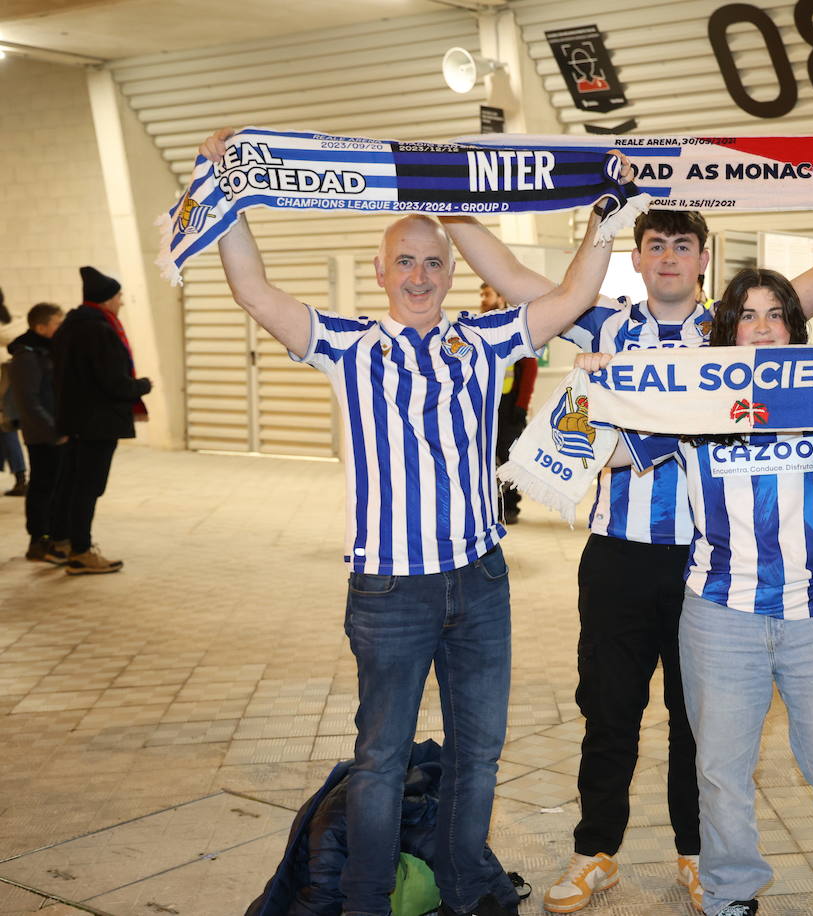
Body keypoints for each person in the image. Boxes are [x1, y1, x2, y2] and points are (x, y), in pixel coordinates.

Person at [442, 181, 813, 914]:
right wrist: (448, 204)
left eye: (681, 245)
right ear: (634, 258)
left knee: (701, 728)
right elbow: (516, 281)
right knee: (609, 710)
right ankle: (595, 849)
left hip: (710, 562)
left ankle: (700, 857)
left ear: (705, 257)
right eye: (654, 244)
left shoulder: (729, 331)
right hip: (623, 551)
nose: (667, 257)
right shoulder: (603, 324)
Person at [200, 129, 629, 916]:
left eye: (435, 261)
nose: (421, 275)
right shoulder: (346, 344)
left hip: (480, 582)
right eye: (406, 260)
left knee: (480, 755)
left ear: (453, 270)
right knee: (381, 759)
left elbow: (570, 300)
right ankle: (364, 901)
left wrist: (606, 217)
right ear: (380, 271)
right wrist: (227, 189)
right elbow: (254, 292)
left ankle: (466, 889)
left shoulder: (484, 338)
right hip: (391, 591)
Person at [578, 268, 813, 916]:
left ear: (794, 328)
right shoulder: (692, 398)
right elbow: (608, 454)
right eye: (747, 315)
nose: (762, 327)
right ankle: (731, 892)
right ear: (727, 330)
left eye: (775, 314)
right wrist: (600, 385)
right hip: (719, 616)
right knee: (721, 773)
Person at [50, 266, 153, 575]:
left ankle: (63, 541)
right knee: (88, 487)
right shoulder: (100, 330)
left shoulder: (70, 326)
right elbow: (113, 382)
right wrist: (142, 386)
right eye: (119, 295)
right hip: (98, 422)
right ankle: (81, 552)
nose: (121, 301)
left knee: (70, 482)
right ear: (108, 299)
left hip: (74, 419)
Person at [8, 303, 66, 561]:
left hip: (55, 431)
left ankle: (53, 537)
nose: (61, 328)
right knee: (43, 486)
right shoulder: (26, 356)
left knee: (55, 486)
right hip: (42, 435)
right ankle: (38, 541)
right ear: (41, 327)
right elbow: (29, 401)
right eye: (57, 323)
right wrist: (54, 430)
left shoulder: (46, 351)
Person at [480, 282, 538, 524]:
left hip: (509, 406)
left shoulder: (512, 326)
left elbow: (529, 367)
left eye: (488, 294)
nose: (483, 298)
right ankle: (490, 503)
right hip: (486, 406)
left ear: (501, 296)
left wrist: (521, 405)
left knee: (509, 457)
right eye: (481, 294)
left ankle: (510, 505)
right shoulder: (479, 325)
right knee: (486, 456)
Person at [0, 288, 27, 497]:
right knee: (7, 429)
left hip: (3, 382)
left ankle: (20, 478)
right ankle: (20, 477)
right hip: (12, 382)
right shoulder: (14, 322)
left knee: (6, 429)